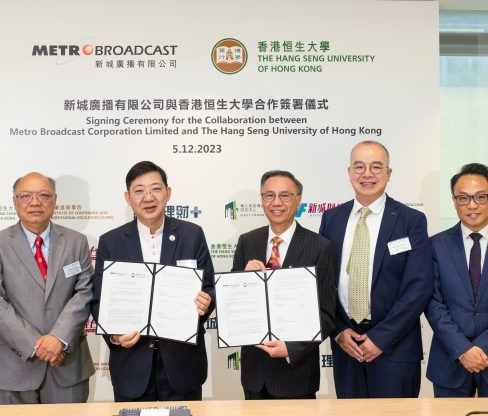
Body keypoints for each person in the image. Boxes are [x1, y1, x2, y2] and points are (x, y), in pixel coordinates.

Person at [91, 161, 214, 402]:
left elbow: (208, 289)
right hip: (132, 364)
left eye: (156, 189)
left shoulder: (192, 235)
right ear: (128, 198)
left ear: (168, 193)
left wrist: (205, 304)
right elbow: (99, 301)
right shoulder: (111, 242)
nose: (148, 197)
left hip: (182, 364)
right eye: (139, 190)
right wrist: (114, 336)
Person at [319, 140, 433, 398]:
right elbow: (322, 282)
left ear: (388, 173)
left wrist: (381, 338)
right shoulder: (332, 219)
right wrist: (337, 331)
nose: (367, 174)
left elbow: (419, 286)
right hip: (346, 347)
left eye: (376, 167)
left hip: (396, 349)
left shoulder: (411, 221)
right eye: (359, 167)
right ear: (349, 173)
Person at [0, 172, 95, 404]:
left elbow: (84, 293)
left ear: (54, 199)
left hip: (67, 364)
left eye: (43, 195)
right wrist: (36, 345)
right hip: (12, 366)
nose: (35, 202)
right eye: (26, 196)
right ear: (14, 201)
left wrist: (58, 339)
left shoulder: (76, 241)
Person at [231, 170, 336, 400]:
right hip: (255, 375)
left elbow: (327, 314)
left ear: (298, 200)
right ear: (261, 199)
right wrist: (243, 280)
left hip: (296, 374)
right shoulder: (247, 241)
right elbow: (232, 305)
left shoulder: (320, 247)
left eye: (285, 195)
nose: (276, 202)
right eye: (269, 195)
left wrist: (292, 348)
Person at [426, 163, 488, 397]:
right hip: (449, 361)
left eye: (480, 197)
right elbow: (432, 303)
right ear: (453, 201)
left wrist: (480, 348)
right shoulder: (435, 245)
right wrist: (463, 349)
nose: (472, 205)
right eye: (463, 198)